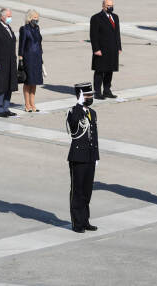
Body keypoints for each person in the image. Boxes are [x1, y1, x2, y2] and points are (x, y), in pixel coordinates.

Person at [66, 82, 99, 233]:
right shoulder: (73, 111)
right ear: (80, 96)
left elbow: (94, 136)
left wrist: (96, 157)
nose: (90, 97)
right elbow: (73, 125)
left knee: (87, 191)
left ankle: (85, 220)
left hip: (90, 156)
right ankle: (77, 223)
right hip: (78, 157)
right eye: (87, 95)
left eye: (91, 95)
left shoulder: (93, 112)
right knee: (77, 191)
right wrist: (79, 106)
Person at [0, 8, 18, 117]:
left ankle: (6, 108)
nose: (10, 18)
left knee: (9, 86)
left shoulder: (8, 28)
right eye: (8, 16)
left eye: (10, 16)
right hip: (1, 63)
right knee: (1, 87)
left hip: (11, 62)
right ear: (2, 16)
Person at [90, 0, 121, 99]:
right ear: (103, 6)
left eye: (111, 5)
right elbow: (93, 35)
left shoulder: (115, 17)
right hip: (101, 50)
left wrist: (119, 47)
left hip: (112, 49)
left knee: (109, 70)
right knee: (99, 71)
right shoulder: (96, 18)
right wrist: (96, 49)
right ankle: (97, 92)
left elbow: (117, 33)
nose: (110, 7)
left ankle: (107, 90)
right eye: (108, 5)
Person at [18, 10, 44, 113]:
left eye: (37, 18)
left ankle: (33, 103)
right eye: (35, 18)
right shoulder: (24, 29)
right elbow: (21, 45)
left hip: (37, 57)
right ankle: (27, 104)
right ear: (29, 18)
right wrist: (20, 59)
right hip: (28, 58)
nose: (37, 20)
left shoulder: (37, 28)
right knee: (28, 81)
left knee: (35, 82)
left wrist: (42, 58)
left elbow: (39, 44)